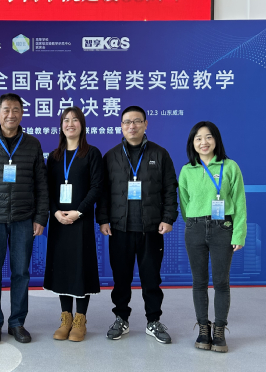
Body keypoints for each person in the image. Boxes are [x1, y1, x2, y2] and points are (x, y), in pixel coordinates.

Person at [0, 93, 49, 345]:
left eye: (16, 110)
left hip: (24, 219)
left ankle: (17, 322)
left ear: (22, 114)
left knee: (21, 273)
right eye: (6, 110)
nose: (11, 114)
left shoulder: (32, 144)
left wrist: (40, 217)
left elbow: (41, 184)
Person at [96, 105, 178, 344]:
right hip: (119, 229)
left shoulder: (160, 154)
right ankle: (121, 319)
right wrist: (103, 219)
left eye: (136, 121)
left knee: (151, 279)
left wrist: (168, 218)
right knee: (121, 279)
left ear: (145, 124)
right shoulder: (111, 156)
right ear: (121, 126)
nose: (131, 126)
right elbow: (103, 192)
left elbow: (170, 189)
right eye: (127, 122)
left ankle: (153, 321)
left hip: (150, 229)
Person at [178, 121, 246, 353]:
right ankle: (203, 329)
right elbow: (184, 202)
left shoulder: (230, 167)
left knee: (221, 282)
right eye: (198, 138)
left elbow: (239, 202)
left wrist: (238, 233)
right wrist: (193, 222)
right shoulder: (187, 170)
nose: (203, 142)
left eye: (208, 137)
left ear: (216, 140)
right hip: (195, 228)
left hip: (222, 228)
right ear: (192, 143)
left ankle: (219, 330)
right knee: (198, 282)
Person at [43, 106, 103, 342]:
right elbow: (46, 189)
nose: (70, 124)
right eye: (66, 120)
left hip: (81, 221)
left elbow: (97, 187)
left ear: (82, 125)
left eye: (75, 120)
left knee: (80, 267)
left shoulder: (91, 153)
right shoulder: (54, 157)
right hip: (59, 221)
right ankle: (65, 318)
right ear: (61, 126)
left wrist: (78, 212)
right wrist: (55, 212)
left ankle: (80, 319)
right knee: (63, 268)